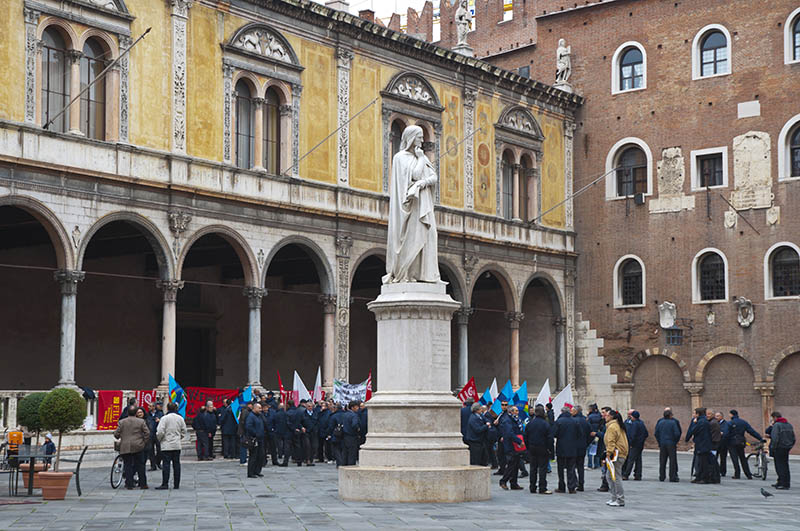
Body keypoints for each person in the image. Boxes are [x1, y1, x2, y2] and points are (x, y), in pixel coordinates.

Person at [383, 125, 440, 284]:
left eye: (423, 137)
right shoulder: (400, 158)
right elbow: (414, 175)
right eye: (419, 137)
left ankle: (424, 275)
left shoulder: (421, 157)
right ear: (411, 138)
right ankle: (406, 274)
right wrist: (421, 160)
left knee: (429, 236)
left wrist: (423, 183)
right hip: (412, 207)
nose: (422, 140)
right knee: (413, 239)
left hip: (424, 204)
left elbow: (433, 177)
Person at [115, 405, 149, 489]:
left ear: (127, 412)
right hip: (138, 445)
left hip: (125, 446)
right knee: (140, 465)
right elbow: (147, 433)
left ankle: (129, 484)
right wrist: (144, 442)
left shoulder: (122, 422)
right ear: (135, 413)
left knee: (128, 465)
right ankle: (143, 484)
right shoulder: (141, 422)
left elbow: (116, 434)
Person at [155, 401, 187, 490]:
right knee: (176, 464)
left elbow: (160, 431)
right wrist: (179, 437)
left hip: (166, 444)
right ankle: (176, 484)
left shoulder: (164, 418)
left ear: (168, 408)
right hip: (176, 444)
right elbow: (184, 430)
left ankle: (165, 483)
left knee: (166, 464)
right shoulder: (180, 418)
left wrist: (160, 439)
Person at [727, 409, 764, 479]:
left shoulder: (730, 423)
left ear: (731, 414)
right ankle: (748, 474)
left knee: (735, 459)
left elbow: (726, 433)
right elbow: (751, 431)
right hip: (741, 442)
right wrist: (760, 438)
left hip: (731, 443)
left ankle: (737, 474)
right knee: (743, 458)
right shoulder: (743, 422)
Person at [525, 405, 553, 495]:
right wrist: (550, 449)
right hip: (543, 448)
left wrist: (528, 447)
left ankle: (532, 487)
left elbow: (525, 436)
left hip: (532, 447)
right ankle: (542, 487)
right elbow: (550, 438)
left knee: (533, 468)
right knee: (542, 468)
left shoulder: (530, 423)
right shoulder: (546, 424)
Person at [552, 406, 580, 494]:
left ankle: (561, 486)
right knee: (571, 468)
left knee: (560, 469)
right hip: (572, 448)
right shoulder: (575, 421)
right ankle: (571, 487)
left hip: (561, 447)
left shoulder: (559, 421)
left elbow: (554, 433)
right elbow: (579, 434)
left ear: (561, 412)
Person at [603, 409, 628, 507]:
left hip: (616, 454)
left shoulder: (612, 427)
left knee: (616, 477)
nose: (605, 416)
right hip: (619, 453)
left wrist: (608, 453)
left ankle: (620, 499)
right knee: (609, 476)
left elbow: (611, 441)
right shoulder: (618, 425)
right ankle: (614, 497)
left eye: (607, 415)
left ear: (612, 417)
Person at [765, 411, 795, 490]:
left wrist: (773, 448)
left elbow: (775, 438)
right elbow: (793, 438)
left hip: (778, 448)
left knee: (779, 466)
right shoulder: (789, 425)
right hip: (786, 448)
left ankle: (782, 483)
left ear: (774, 417)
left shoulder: (777, 425)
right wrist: (790, 446)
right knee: (785, 465)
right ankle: (785, 482)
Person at [499, 406, 524, 490]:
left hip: (516, 445)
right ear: (511, 412)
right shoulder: (507, 420)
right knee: (511, 464)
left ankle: (514, 483)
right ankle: (503, 481)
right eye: (516, 411)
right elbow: (510, 433)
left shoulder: (515, 419)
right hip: (510, 445)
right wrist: (519, 441)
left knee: (516, 464)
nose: (517, 412)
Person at [686, 407, 712, 484]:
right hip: (702, 443)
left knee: (703, 462)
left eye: (694, 413)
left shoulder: (701, 422)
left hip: (702, 444)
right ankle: (699, 477)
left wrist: (694, 423)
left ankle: (704, 478)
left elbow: (693, 430)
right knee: (700, 462)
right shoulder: (703, 421)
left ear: (698, 414)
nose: (693, 415)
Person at [654, 408, 681, 482]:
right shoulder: (673, 423)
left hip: (662, 443)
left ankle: (662, 476)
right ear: (670, 415)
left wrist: (659, 441)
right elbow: (677, 433)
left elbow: (656, 433)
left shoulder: (660, 422)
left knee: (662, 460)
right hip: (671, 443)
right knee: (672, 460)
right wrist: (675, 441)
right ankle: (672, 477)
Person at [622, 410, 648, 481]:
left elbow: (632, 435)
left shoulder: (634, 424)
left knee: (631, 460)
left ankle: (626, 475)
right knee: (638, 460)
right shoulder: (641, 423)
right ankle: (638, 475)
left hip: (634, 445)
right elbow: (646, 434)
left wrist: (631, 443)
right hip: (640, 445)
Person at [245, 403, 266, 478]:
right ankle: (251, 472)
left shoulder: (260, 416)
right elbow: (248, 426)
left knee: (260, 455)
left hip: (260, 439)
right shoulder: (251, 416)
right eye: (259, 408)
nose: (261, 410)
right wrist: (255, 433)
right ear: (255, 408)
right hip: (254, 439)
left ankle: (257, 471)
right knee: (253, 456)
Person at [341, 401, 361, 466]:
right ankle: (351, 466)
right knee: (352, 453)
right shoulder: (354, 415)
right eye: (357, 407)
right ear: (352, 407)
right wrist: (358, 429)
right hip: (352, 436)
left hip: (344, 436)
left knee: (345, 453)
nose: (358, 408)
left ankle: (344, 465)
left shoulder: (344, 414)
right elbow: (354, 425)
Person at [301, 400, 319, 466]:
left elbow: (318, 422)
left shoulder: (316, 413)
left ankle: (311, 458)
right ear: (306, 407)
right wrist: (302, 427)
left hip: (314, 432)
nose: (310, 408)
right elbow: (299, 422)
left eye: (311, 406)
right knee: (307, 446)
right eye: (309, 406)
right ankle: (307, 459)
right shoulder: (303, 414)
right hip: (306, 432)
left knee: (314, 446)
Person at [706, 409, 722, 484]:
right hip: (714, 444)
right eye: (707, 414)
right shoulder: (713, 422)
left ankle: (714, 477)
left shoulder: (712, 423)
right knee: (713, 461)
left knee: (713, 462)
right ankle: (715, 477)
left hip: (713, 445)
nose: (707, 416)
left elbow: (711, 435)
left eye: (709, 414)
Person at [586, 404, 604, 469]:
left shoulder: (590, 417)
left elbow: (588, 426)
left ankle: (590, 465)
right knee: (597, 450)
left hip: (591, 434)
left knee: (590, 450)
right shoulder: (600, 416)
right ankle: (597, 464)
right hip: (598, 434)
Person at [237, 401, 253, 466]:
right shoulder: (245, 412)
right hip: (243, 432)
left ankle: (243, 460)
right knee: (243, 446)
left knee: (244, 446)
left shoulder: (245, 411)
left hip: (243, 431)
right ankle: (243, 460)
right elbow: (243, 422)